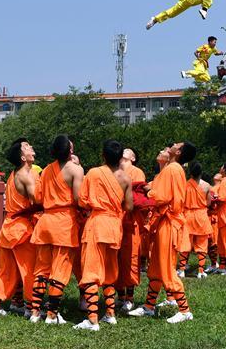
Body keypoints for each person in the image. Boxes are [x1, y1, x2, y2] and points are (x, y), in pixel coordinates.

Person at [129, 142, 195, 323]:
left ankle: (185, 310)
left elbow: (162, 196)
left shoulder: (173, 169)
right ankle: (149, 306)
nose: (172, 145)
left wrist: (148, 191)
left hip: (168, 222)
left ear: (178, 152)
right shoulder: (172, 168)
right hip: (164, 221)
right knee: (156, 267)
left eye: (176, 144)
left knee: (166, 267)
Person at [72, 140, 134, 331]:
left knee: (91, 271)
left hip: (97, 224)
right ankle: (110, 314)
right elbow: (129, 206)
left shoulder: (94, 173)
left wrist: (96, 204)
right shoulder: (125, 178)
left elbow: (82, 201)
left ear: (103, 156)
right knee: (109, 271)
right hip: (114, 226)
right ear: (120, 158)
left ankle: (92, 319)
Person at [29, 135, 84, 324]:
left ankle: (35, 312)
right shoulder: (75, 170)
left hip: (46, 221)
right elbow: (78, 199)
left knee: (41, 269)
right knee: (60, 269)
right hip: (64, 223)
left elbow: (38, 197)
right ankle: (52, 314)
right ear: (69, 151)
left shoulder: (45, 170)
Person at [0, 139, 39, 318]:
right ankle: (32, 307)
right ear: (22, 157)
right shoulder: (26, 175)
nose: (31, 147)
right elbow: (38, 201)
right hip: (21, 229)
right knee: (29, 269)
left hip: (9, 227)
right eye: (26, 147)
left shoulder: (14, 174)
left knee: (7, 270)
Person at [117, 148, 147, 312]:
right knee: (116, 259)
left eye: (129, 151)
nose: (125, 150)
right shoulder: (113, 170)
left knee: (131, 259)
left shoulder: (137, 172)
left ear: (133, 158)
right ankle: (120, 295)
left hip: (131, 219)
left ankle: (129, 297)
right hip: (115, 218)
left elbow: (137, 197)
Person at [177, 162, 212, 279]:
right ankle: (201, 271)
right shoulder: (207, 186)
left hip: (188, 216)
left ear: (190, 173)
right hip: (202, 216)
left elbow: (181, 201)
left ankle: (182, 270)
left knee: (185, 243)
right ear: (201, 172)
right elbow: (208, 203)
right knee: (202, 244)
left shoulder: (185, 185)